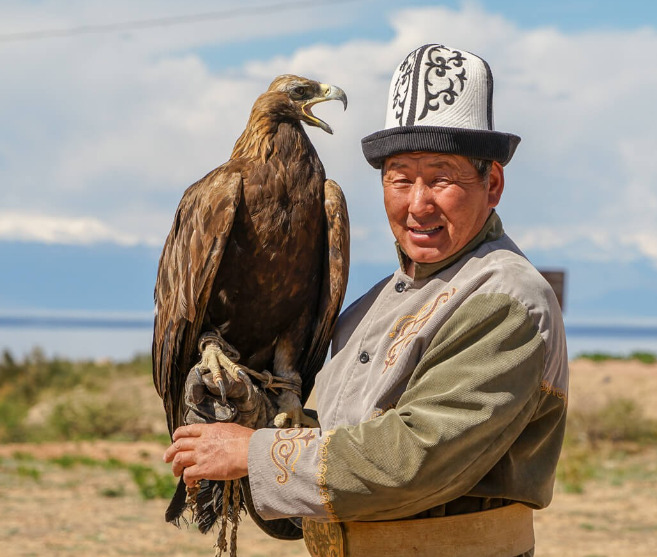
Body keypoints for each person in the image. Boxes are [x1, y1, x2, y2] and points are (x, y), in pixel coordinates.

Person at [164, 43, 569, 557]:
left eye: (441, 178)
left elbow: (416, 458)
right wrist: (260, 418)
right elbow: (332, 469)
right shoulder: (371, 307)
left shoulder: (505, 299)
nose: (417, 203)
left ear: (492, 184)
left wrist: (256, 452)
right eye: (400, 178)